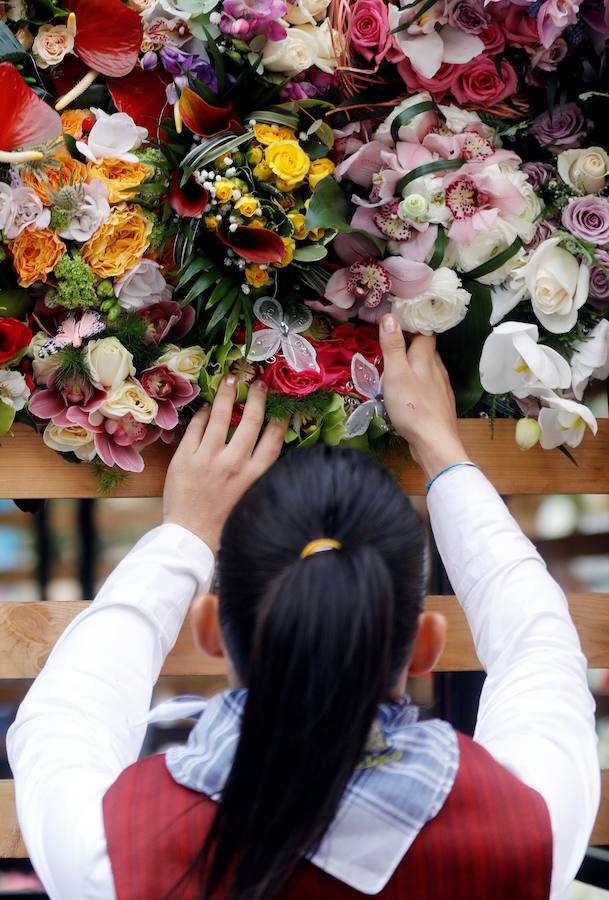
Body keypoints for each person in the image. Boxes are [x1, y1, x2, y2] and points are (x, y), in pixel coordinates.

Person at [7, 315, 599, 900]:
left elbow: (61, 718)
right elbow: (540, 649)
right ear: (425, 645)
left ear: (210, 628)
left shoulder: (115, 854)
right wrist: (443, 449)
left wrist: (185, 532)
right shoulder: (527, 831)